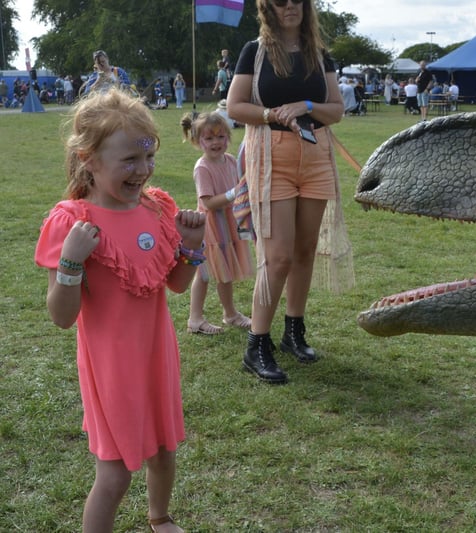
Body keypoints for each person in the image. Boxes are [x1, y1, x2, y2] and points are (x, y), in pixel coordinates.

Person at [34, 89, 205, 533]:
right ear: (88, 158)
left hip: (156, 355)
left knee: (165, 450)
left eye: (149, 156)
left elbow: (176, 285)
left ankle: (160, 518)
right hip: (111, 368)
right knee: (114, 474)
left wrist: (190, 247)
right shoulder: (71, 221)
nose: (143, 170)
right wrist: (71, 262)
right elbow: (60, 316)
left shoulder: (157, 208)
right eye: (129, 159)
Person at [227, 0, 352, 383]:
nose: (290, 7)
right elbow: (235, 106)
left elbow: (336, 109)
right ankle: (257, 343)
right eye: (280, 2)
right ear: (268, 9)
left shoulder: (319, 54)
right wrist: (271, 113)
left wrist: (306, 104)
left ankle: (293, 331)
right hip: (271, 157)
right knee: (277, 256)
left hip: (315, 156)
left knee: (304, 250)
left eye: (297, 0)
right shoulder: (256, 51)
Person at [180, 112, 254, 335]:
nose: (216, 142)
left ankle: (230, 314)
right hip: (209, 229)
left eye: (221, 136)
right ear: (197, 141)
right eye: (209, 138)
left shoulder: (231, 160)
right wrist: (234, 193)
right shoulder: (202, 168)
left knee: (225, 271)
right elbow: (209, 203)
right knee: (203, 275)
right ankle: (195, 319)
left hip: (228, 226)